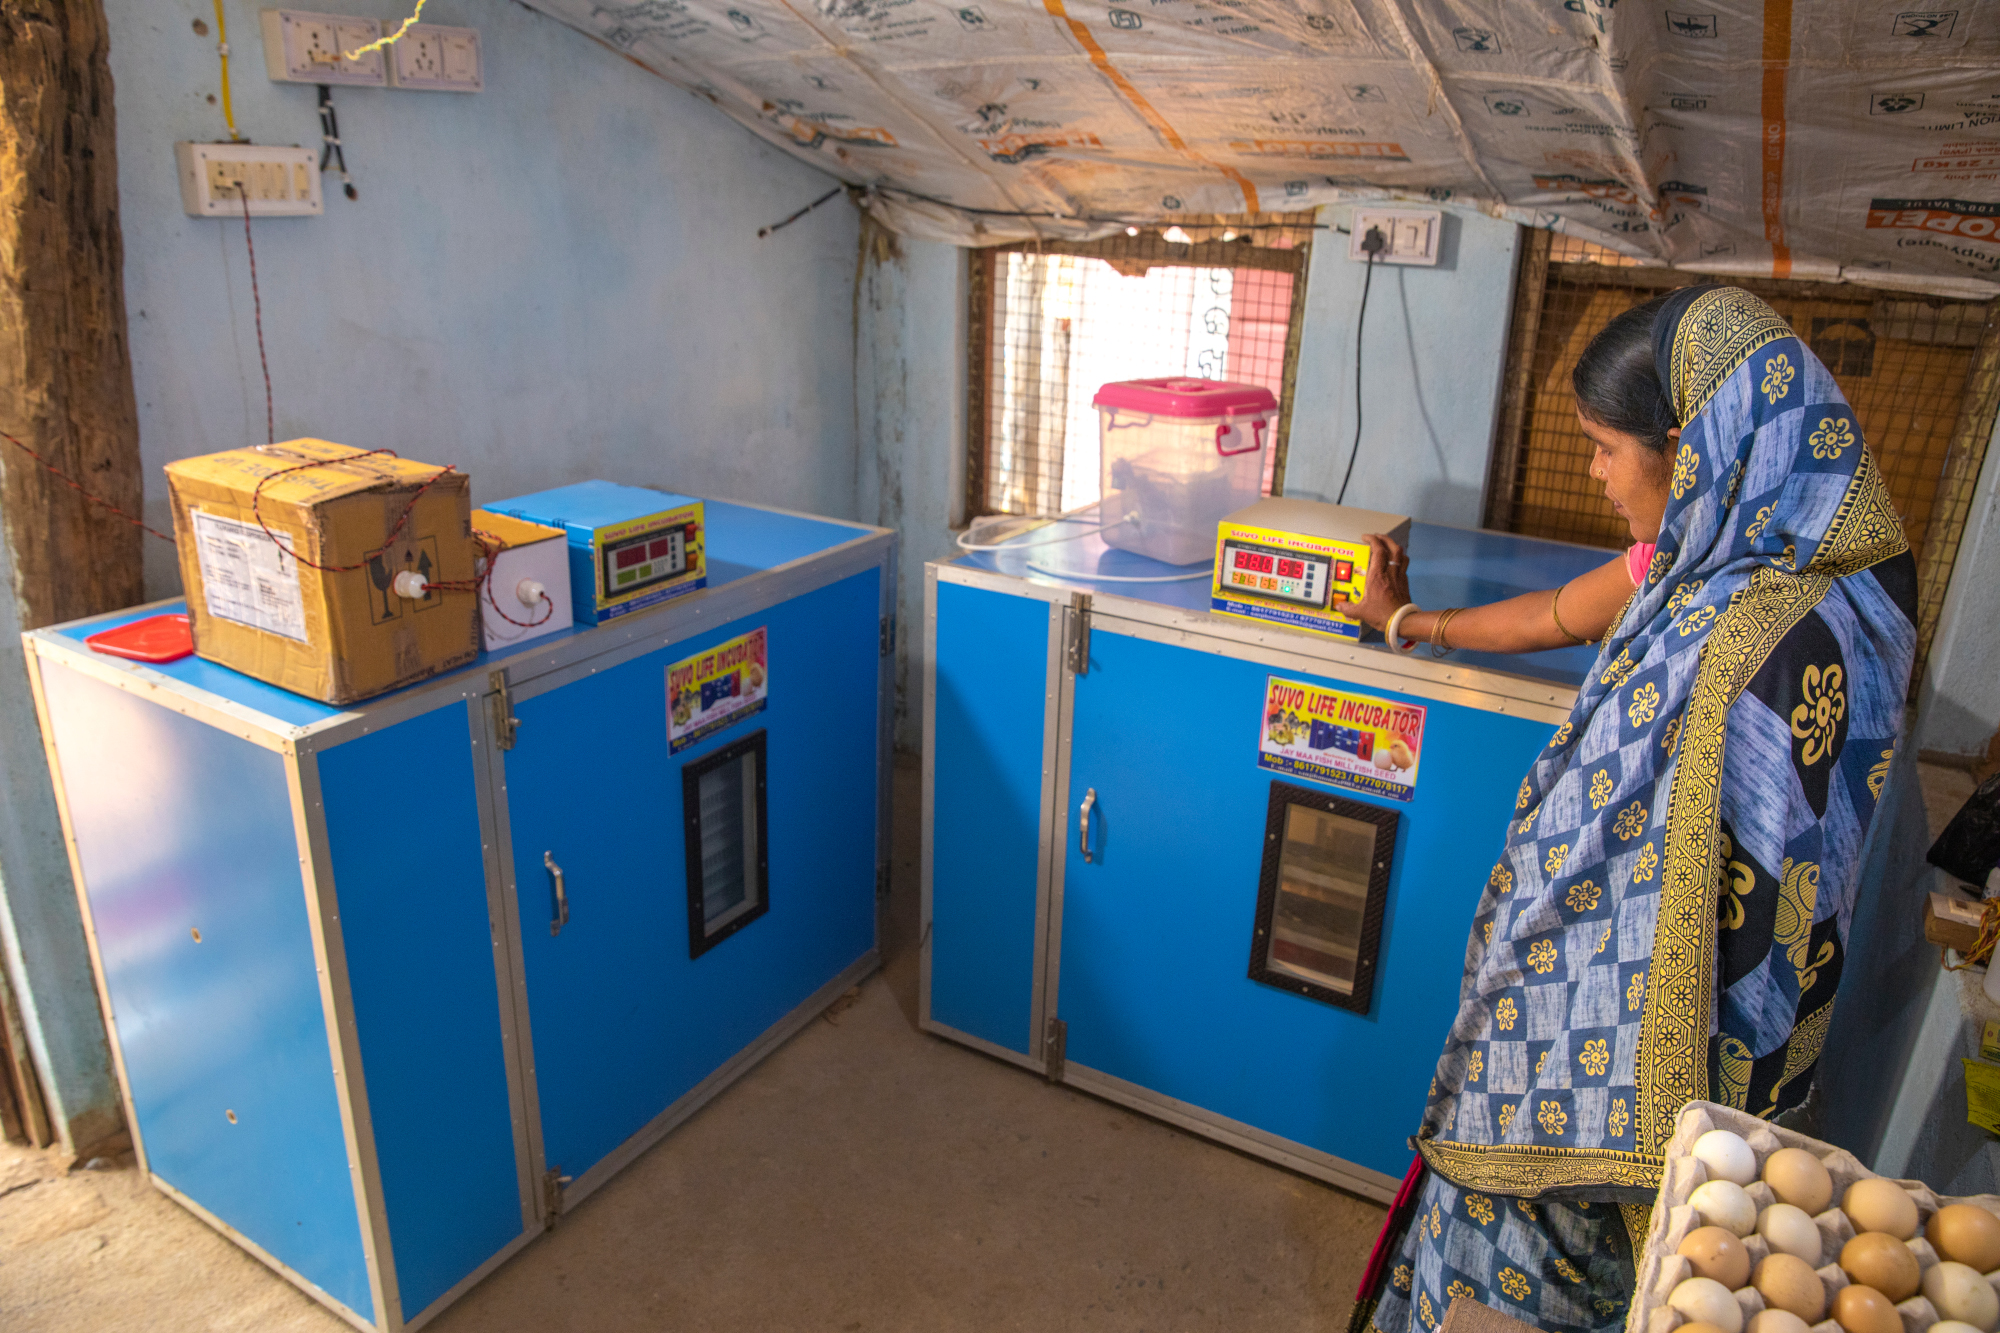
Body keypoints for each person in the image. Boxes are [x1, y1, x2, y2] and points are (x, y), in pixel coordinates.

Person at [1343, 285, 1917, 1333]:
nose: (1596, 475)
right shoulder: (1724, 559)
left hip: (1623, 1098)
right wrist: (1406, 621)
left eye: (1606, 450)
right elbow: (1557, 612)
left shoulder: (1756, 638)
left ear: (1688, 445)